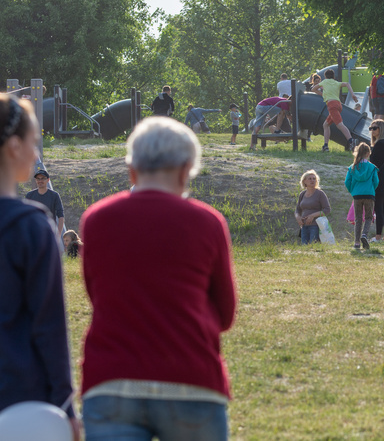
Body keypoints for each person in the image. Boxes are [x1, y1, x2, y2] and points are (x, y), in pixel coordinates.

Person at [79, 117, 236, 441]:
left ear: (132, 171)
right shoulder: (207, 222)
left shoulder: (96, 220)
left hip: (111, 379)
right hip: (191, 380)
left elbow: (97, 295)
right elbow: (224, 313)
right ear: (185, 170)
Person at [0, 94, 80, 439]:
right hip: (22, 401)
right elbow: (49, 326)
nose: (36, 156)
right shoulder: (30, 226)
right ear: (14, 146)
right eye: (34, 143)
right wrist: (66, 408)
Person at [312, 69, 358, 152]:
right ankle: (325, 145)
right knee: (326, 124)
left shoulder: (324, 82)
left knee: (340, 125)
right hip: (338, 105)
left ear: (325, 77)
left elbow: (313, 89)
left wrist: (323, 94)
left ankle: (351, 141)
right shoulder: (336, 83)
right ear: (333, 77)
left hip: (331, 105)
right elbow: (347, 84)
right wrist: (353, 94)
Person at [346, 143, 379, 251]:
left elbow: (347, 182)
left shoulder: (352, 167)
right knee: (369, 217)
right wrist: (372, 189)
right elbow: (376, 181)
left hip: (357, 195)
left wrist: (353, 190)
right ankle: (364, 235)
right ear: (368, 153)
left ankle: (356, 242)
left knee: (358, 218)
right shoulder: (372, 167)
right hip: (369, 194)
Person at [295, 170, 331, 245]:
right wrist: (298, 217)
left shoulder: (320, 193)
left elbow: (327, 210)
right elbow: (297, 209)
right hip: (304, 226)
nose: (312, 180)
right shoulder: (302, 194)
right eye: (310, 178)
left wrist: (313, 215)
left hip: (316, 225)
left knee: (313, 247)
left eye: (314, 178)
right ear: (304, 181)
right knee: (304, 248)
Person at [25, 168, 65, 236]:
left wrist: (58, 236)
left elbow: (61, 216)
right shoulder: (30, 195)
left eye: (43, 178)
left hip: (49, 233)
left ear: (48, 180)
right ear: (35, 180)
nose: (40, 181)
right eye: (38, 178)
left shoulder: (54, 195)